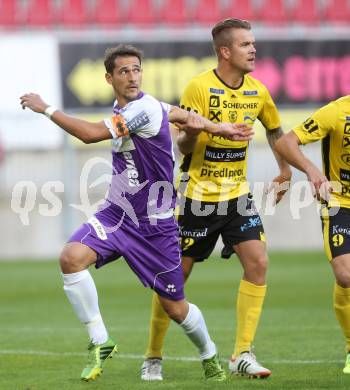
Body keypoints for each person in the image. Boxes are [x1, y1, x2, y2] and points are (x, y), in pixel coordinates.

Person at [20, 44, 254, 382]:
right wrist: (219, 129)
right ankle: (100, 341)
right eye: (124, 71)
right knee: (71, 258)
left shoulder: (141, 110)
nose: (132, 76)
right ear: (109, 77)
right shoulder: (144, 107)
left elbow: (88, 134)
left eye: (136, 69)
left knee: (176, 308)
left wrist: (46, 108)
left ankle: (209, 354)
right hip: (117, 214)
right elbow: (185, 115)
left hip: (155, 226)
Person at [141, 18, 291, 381]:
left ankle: (242, 353)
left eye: (253, 43)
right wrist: (193, 134)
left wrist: (284, 170)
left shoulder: (257, 91)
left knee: (258, 262)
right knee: (174, 280)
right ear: (225, 51)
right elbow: (181, 144)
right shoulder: (200, 88)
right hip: (197, 198)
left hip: (237, 196)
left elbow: (275, 130)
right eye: (245, 44)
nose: (253, 49)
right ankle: (153, 355)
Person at [275, 96, 350, 374]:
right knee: (345, 276)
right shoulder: (337, 111)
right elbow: (285, 143)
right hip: (341, 204)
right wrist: (310, 168)